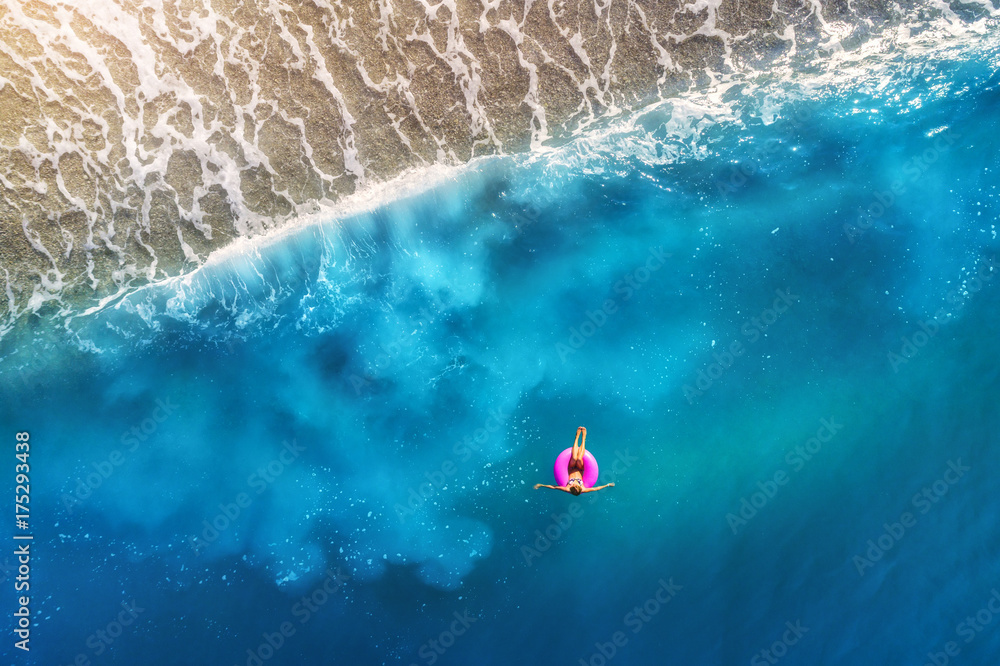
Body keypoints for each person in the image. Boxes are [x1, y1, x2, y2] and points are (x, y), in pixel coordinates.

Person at [534, 426, 615, 495]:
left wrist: (541, 485)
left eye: (574, 486)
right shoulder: (583, 489)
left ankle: (576, 437)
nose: (575, 484)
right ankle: (583, 438)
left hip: (571, 467)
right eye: (577, 486)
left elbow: (554, 487)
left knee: (574, 458)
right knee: (579, 458)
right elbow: (596, 489)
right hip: (580, 468)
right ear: (579, 488)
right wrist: (608, 485)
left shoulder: (567, 488)